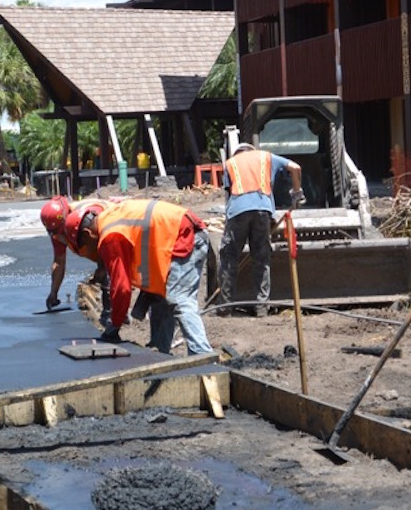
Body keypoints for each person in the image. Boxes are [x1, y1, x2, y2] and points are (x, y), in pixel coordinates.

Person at [65, 199, 213, 355]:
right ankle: (160, 352)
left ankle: (203, 355)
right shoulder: (108, 217)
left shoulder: (110, 236)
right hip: (176, 234)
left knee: (179, 298)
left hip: (185, 236)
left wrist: (114, 326)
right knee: (161, 298)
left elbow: (121, 288)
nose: (89, 252)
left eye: (84, 246)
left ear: (88, 235)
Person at [219, 142, 304, 317]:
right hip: (262, 210)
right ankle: (261, 308)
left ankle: (226, 308)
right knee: (261, 258)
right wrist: (296, 194)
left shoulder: (230, 163)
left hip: (237, 212)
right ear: (252, 150)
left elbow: (229, 194)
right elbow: (295, 167)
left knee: (229, 258)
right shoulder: (266, 157)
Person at [40, 195, 112, 325]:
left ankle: (113, 316)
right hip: (102, 241)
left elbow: (106, 244)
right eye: (55, 234)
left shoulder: (88, 218)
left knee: (111, 274)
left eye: (61, 232)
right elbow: (59, 261)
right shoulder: (56, 228)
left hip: (116, 229)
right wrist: (53, 293)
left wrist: (102, 267)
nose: (59, 237)